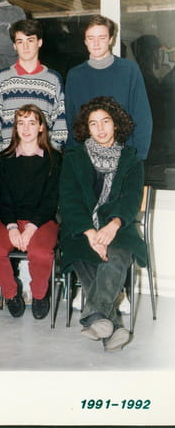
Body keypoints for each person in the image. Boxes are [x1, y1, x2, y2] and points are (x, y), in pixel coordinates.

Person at [59, 96, 146, 351]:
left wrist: (112, 226)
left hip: (119, 226)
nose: (100, 128)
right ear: (87, 128)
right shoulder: (74, 158)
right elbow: (69, 200)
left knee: (116, 256)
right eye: (93, 123)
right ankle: (113, 327)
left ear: (115, 124)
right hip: (81, 229)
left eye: (105, 121)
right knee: (84, 257)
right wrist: (90, 233)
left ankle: (96, 316)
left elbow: (131, 199)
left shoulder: (131, 160)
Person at [0, 104, 61, 319]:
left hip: (42, 220)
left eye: (32, 123)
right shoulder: (3, 159)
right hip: (10, 219)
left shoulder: (54, 159)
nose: (26, 129)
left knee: (41, 253)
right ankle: (11, 294)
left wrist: (31, 227)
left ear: (41, 127)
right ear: (15, 128)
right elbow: (2, 198)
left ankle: (39, 295)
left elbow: (51, 200)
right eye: (21, 123)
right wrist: (12, 227)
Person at [64, 15, 152, 160]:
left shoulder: (129, 70)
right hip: (87, 158)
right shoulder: (75, 75)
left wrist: (138, 156)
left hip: (124, 157)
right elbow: (71, 120)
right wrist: (74, 157)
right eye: (91, 38)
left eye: (102, 37)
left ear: (111, 39)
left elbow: (142, 117)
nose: (96, 43)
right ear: (85, 41)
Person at [0, 18, 67, 158]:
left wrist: (51, 155)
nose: (25, 46)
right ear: (14, 46)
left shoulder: (53, 79)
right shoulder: (1, 78)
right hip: (8, 158)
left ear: (39, 42)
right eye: (20, 42)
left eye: (30, 40)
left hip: (44, 160)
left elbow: (60, 123)